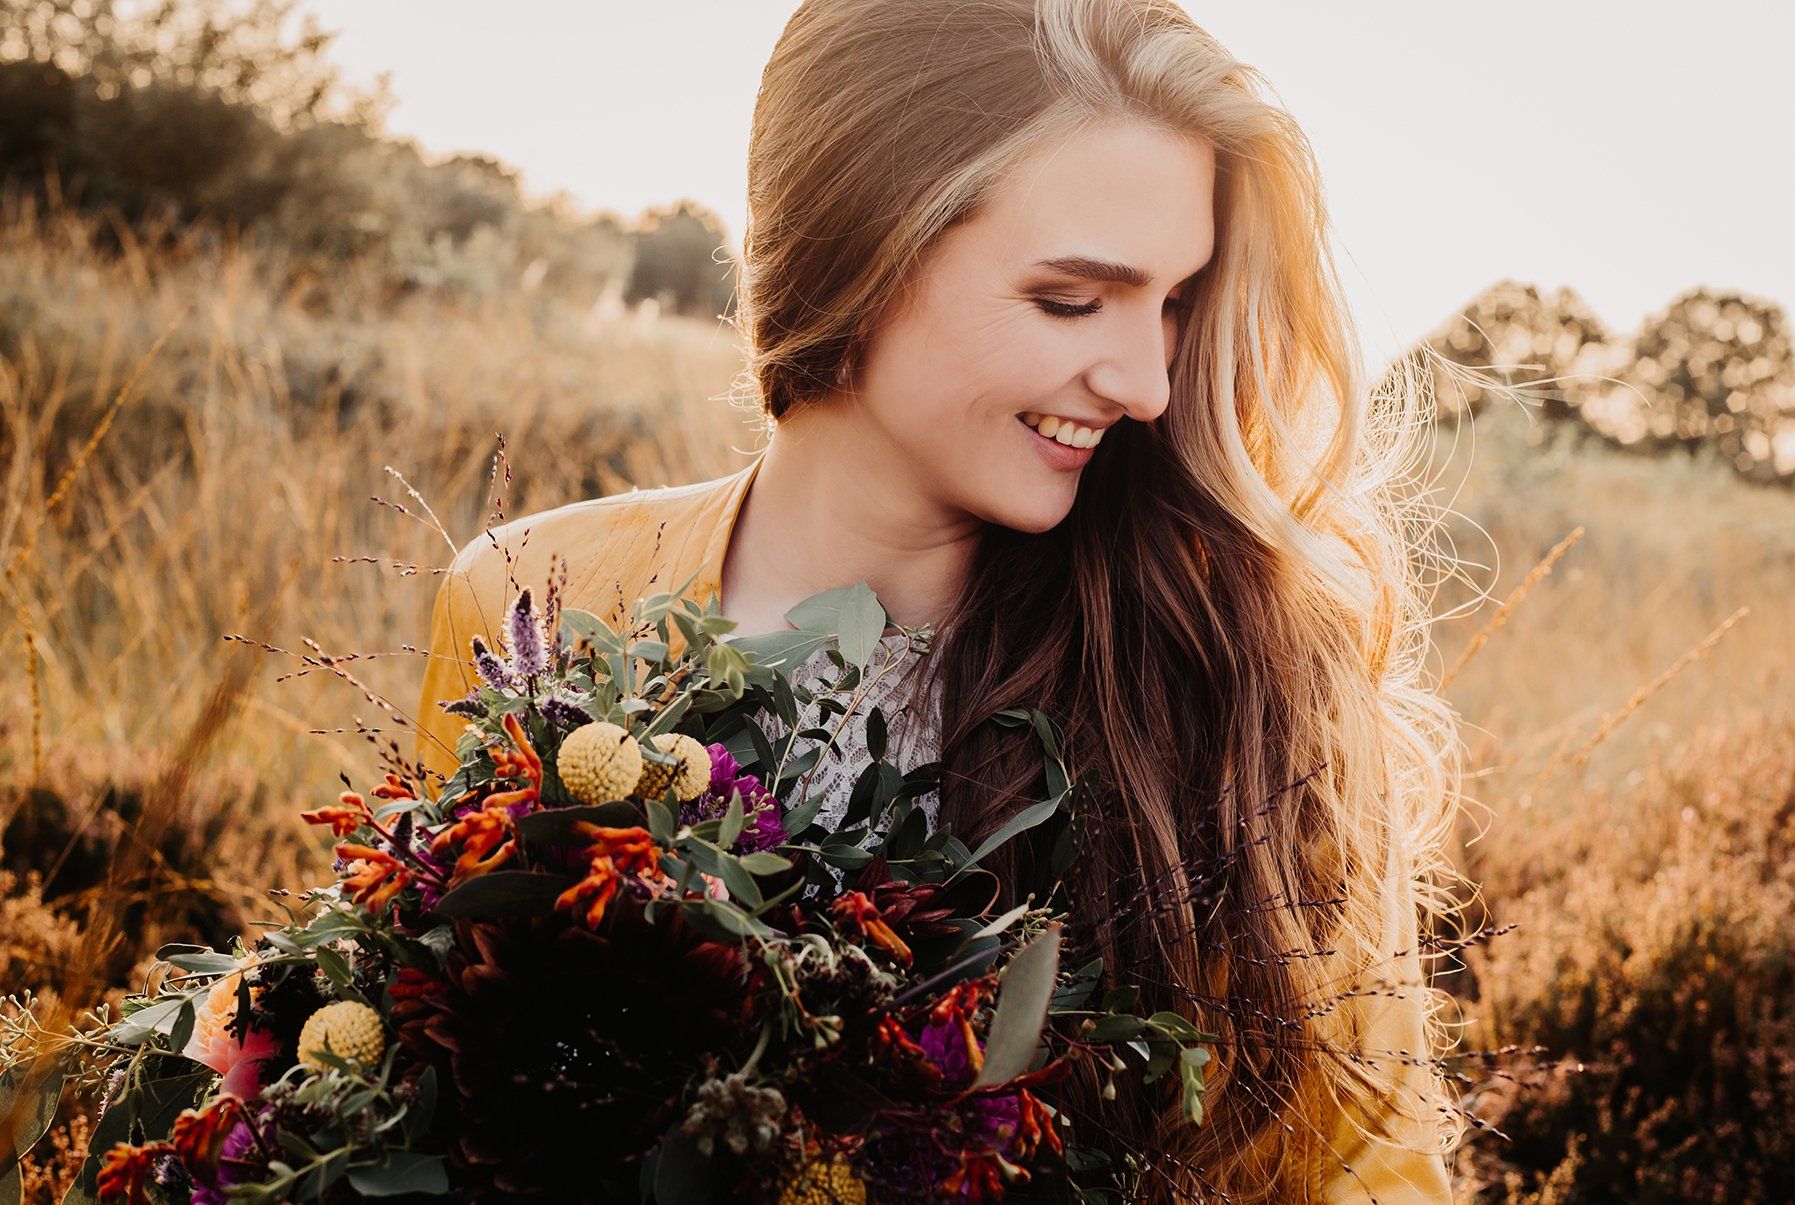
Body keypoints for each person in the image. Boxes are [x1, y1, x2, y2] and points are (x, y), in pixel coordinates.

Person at [415, 0, 1463, 1199]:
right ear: (857, 245)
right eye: (1071, 299)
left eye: (1175, 301)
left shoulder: (1239, 660)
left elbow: (1368, 1167)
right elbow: (424, 1058)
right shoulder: (523, 603)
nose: (1146, 383)